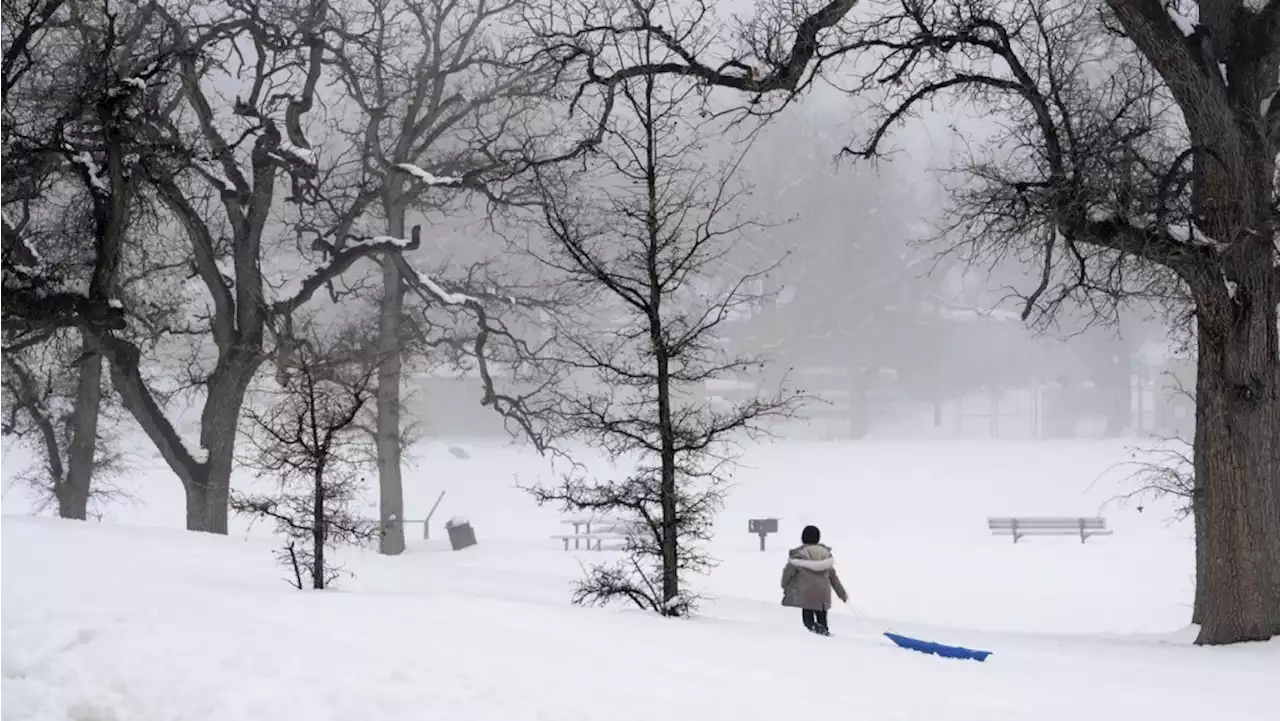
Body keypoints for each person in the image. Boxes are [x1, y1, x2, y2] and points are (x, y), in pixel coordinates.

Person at [780, 525, 848, 635]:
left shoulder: (798, 556)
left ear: (803, 538)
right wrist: (842, 594)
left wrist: (785, 586)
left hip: (806, 594)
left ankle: (818, 633)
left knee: (808, 621)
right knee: (822, 618)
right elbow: (833, 578)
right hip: (823, 595)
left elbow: (787, 574)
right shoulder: (825, 555)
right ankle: (824, 632)